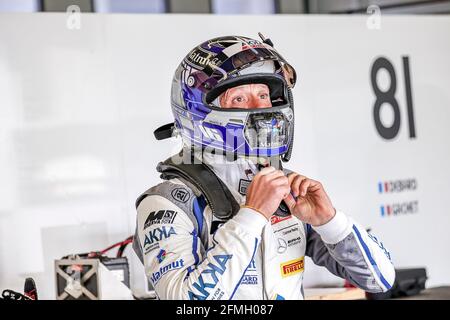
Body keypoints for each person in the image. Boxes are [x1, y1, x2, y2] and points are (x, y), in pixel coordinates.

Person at [132, 35, 395, 300]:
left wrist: (329, 221)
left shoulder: (287, 190)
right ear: (199, 111)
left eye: (263, 94)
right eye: (239, 99)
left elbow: (380, 279)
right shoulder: (167, 204)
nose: (261, 108)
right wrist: (252, 216)